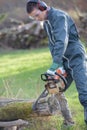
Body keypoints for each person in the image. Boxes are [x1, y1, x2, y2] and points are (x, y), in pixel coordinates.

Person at [26, 0, 87, 125]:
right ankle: (69, 121)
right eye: (33, 18)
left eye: (37, 15)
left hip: (75, 57)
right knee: (56, 89)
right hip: (64, 60)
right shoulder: (47, 23)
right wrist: (57, 65)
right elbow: (52, 45)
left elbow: (61, 41)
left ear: (43, 7)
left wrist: (55, 63)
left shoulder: (59, 17)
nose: (37, 19)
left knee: (84, 93)